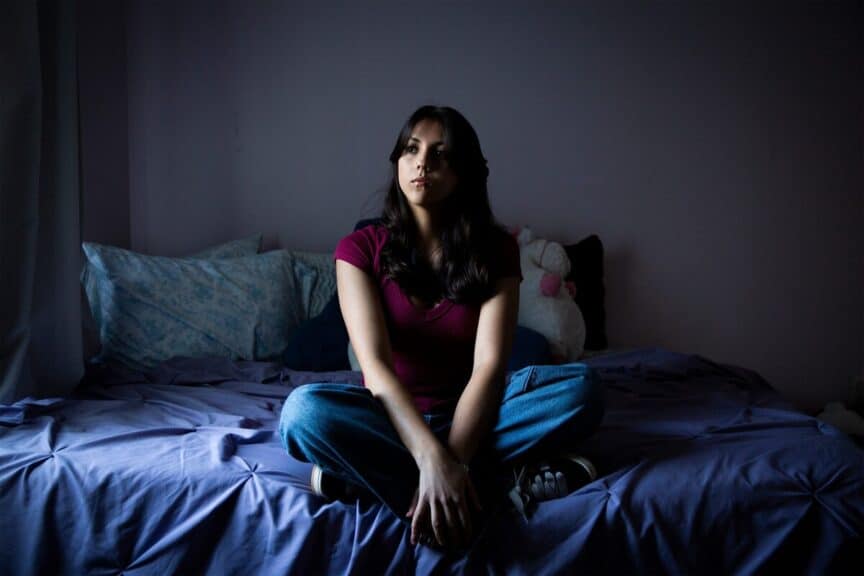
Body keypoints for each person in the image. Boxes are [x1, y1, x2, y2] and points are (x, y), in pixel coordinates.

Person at [279, 105, 604, 550]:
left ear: (464, 171)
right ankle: (496, 483)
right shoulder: (358, 250)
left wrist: (454, 461)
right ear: (397, 161)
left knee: (582, 388)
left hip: (479, 415)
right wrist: (432, 460)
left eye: (441, 154)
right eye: (411, 149)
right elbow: (375, 368)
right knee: (303, 414)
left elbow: (490, 368)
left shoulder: (495, 249)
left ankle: (371, 480)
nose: (422, 163)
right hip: (391, 417)